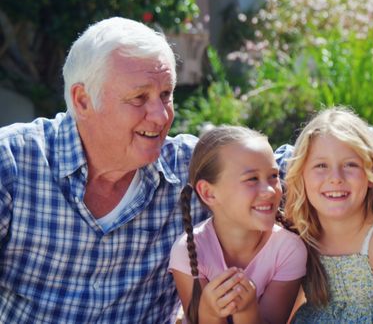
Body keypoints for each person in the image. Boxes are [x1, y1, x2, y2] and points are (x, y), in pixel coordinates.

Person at [0, 17, 209, 322]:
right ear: (83, 100)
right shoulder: (12, 162)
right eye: (139, 98)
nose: (161, 115)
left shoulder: (192, 168)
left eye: (166, 95)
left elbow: (291, 168)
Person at [284, 107, 373, 323]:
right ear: (301, 175)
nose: (336, 178)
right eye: (321, 165)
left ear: (371, 175)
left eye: (350, 164)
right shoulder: (301, 234)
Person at [169, 125, 306, 324]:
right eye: (252, 179)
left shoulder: (289, 249)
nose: (270, 190)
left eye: (274, 176)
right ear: (209, 193)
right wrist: (210, 313)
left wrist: (247, 311)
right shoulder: (188, 251)